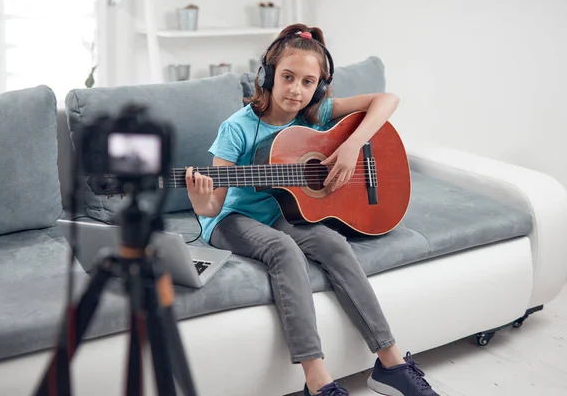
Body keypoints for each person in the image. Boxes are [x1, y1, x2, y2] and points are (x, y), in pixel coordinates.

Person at [185, 23, 439, 396]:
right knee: (283, 250)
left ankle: (391, 364)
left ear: (319, 86)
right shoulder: (236, 129)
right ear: (267, 76)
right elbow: (213, 204)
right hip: (233, 219)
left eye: (308, 82)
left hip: (285, 213)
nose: (296, 90)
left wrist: (353, 145)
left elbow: (388, 100)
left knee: (334, 243)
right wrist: (198, 199)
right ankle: (318, 382)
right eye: (287, 77)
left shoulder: (315, 115)